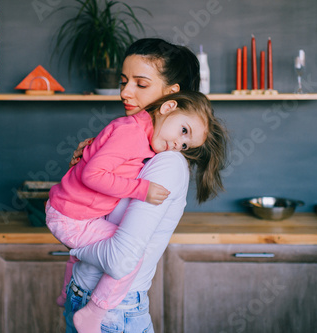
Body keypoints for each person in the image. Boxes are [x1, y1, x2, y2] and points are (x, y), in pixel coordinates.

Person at [59, 38, 228, 332]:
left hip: (113, 312)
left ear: (170, 96)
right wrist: (91, 158)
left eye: (140, 83)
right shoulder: (139, 144)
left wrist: (71, 238)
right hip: (82, 296)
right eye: (124, 81)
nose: (124, 92)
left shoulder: (168, 162)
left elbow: (119, 258)